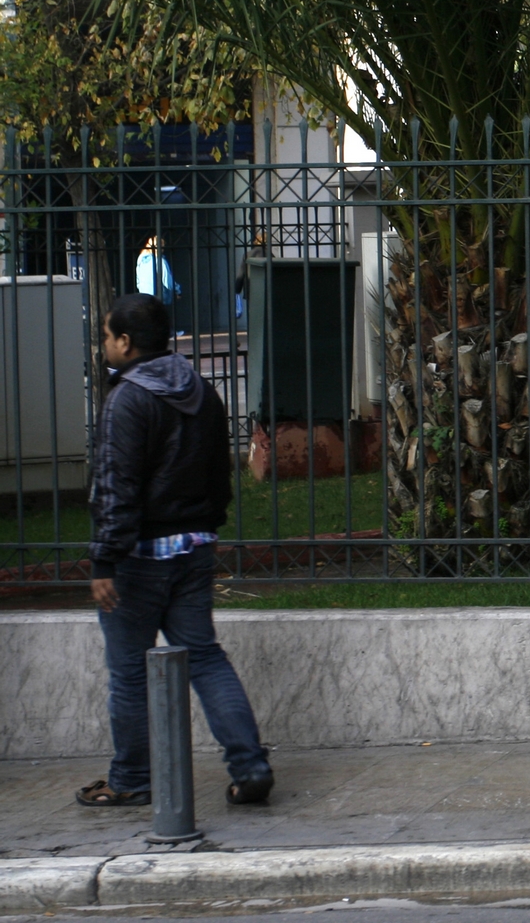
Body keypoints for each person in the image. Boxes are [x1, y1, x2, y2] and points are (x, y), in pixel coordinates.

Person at [79, 293, 273, 808]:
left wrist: (105, 559)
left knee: (129, 673)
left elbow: (117, 485)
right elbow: (218, 473)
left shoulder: (126, 400)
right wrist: (204, 527)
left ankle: (132, 779)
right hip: (194, 548)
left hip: (138, 559)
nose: (104, 345)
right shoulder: (202, 392)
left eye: (106, 336)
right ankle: (251, 768)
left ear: (125, 341)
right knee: (205, 658)